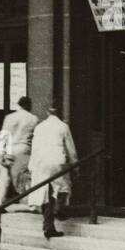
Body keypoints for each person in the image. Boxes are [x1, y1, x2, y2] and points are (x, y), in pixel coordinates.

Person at [27, 103, 78, 240]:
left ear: (47, 113)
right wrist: (75, 165)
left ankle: (48, 225)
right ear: (59, 113)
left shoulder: (39, 127)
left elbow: (34, 148)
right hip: (56, 161)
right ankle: (57, 210)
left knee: (45, 193)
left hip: (41, 162)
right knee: (62, 188)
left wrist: (32, 166)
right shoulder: (63, 126)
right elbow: (70, 148)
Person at [0, 96, 38, 211]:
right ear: (29, 106)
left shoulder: (9, 117)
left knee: (4, 177)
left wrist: (0, 154)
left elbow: (3, 136)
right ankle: (31, 204)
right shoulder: (34, 119)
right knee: (26, 178)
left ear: (18, 105)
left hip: (10, 149)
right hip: (24, 149)